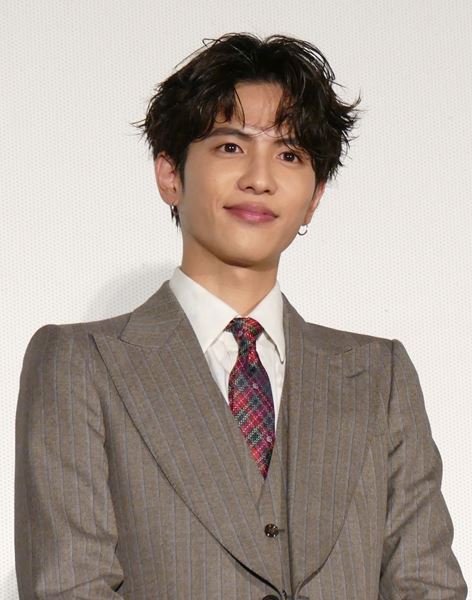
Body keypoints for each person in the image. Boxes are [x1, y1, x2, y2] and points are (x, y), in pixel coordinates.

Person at [15, 33, 467, 600]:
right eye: (231, 146)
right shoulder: (80, 365)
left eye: (290, 155)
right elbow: (70, 586)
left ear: (315, 196)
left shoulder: (381, 375)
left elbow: (427, 585)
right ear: (170, 174)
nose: (260, 177)